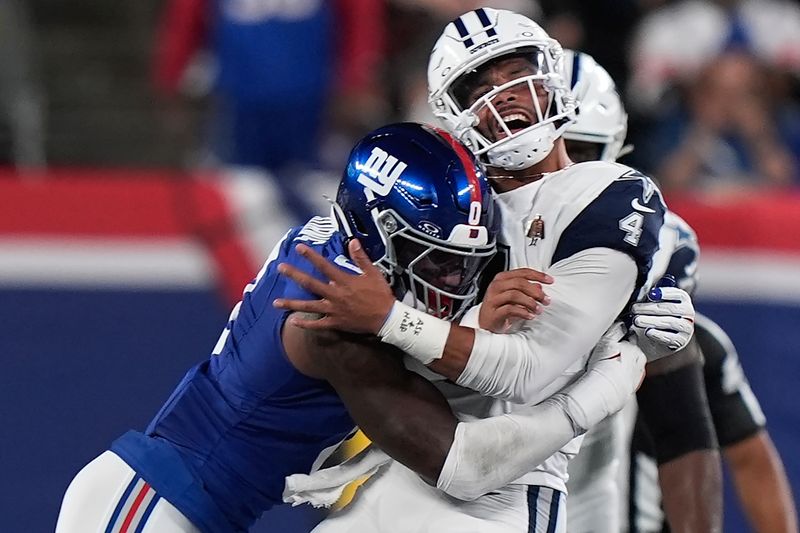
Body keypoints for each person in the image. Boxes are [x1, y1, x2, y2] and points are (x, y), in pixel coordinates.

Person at [55, 122, 666, 533]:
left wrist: (479, 315)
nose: (455, 280)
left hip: (191, 507)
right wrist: (602, 388)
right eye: (440, 259)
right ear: (377, 232)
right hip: (152, 507)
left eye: (464, 263)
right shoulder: (331, 315)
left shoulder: (345, 256)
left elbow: (409, 339)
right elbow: (466, 465)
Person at [273, 9, 695, 532]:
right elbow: (393, 365)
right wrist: (469, 322)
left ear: (551, 81)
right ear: (453, 111)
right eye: (480, 86)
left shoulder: (609, 193)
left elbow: (527, 372)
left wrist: (390, 319)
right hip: (405, 466)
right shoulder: (437, 201)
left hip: (507, 489)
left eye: (515, 74)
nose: (504, 94)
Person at [560, 49, 797, 533]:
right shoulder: (475, 280)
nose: (559, 170)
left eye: (578, 151)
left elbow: (749, 459)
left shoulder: (678, 326)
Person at [560, 49, 722, 533]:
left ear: (614, 151)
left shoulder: (655, 243)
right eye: (546, 146)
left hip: (586, 481)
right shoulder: (467, 227)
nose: (560, 169)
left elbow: (682, 424)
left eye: (580, 151)